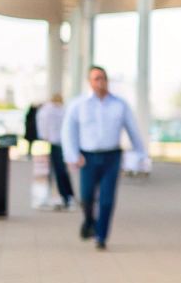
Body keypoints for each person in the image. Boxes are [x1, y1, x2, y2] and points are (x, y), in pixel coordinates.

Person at [61, 67, 146, 249]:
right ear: (90, 82)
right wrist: (73, 155)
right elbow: (68, 132)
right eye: (96, 78)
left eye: (103, 78)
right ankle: (89, 221)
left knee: (107, 199)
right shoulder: (79, 105)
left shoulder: (119, 105)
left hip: (111, 156)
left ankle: (101, 236)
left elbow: (133, 130)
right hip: (88, 157)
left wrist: (140, 154)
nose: (100, 82)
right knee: (86, 196)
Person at [37, 93, 74, 210]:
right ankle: (66, 195)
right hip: (59, 143)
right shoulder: (62, 110)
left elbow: (42, 127)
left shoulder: (46, 111)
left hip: (51, 142)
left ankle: (58, 196)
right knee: (60, 171)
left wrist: (44, 137)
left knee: (50, 171)